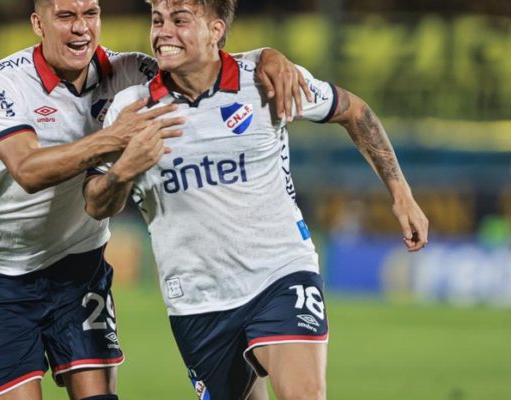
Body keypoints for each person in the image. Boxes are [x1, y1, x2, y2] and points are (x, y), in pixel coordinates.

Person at [0, 1, 308, 399]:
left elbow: (206, 55)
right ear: (38, 23)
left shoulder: (129, 71)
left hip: (78, 263)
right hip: (2, 270)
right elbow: (29, 170)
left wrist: (268, 57)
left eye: (90, 14)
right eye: (66, 17)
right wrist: (113, 138)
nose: (81, 28)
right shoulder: (0, 81)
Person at [83, 1, 430, 399]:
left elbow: (353, 110)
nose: (163, 32)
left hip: (280, 273)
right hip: (197, 301)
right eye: (157, 20)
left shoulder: (263, 80)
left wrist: (401, 194)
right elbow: (94, 204)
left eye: (180, 20)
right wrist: (125, 169)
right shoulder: (131, 109)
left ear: (215, 30)